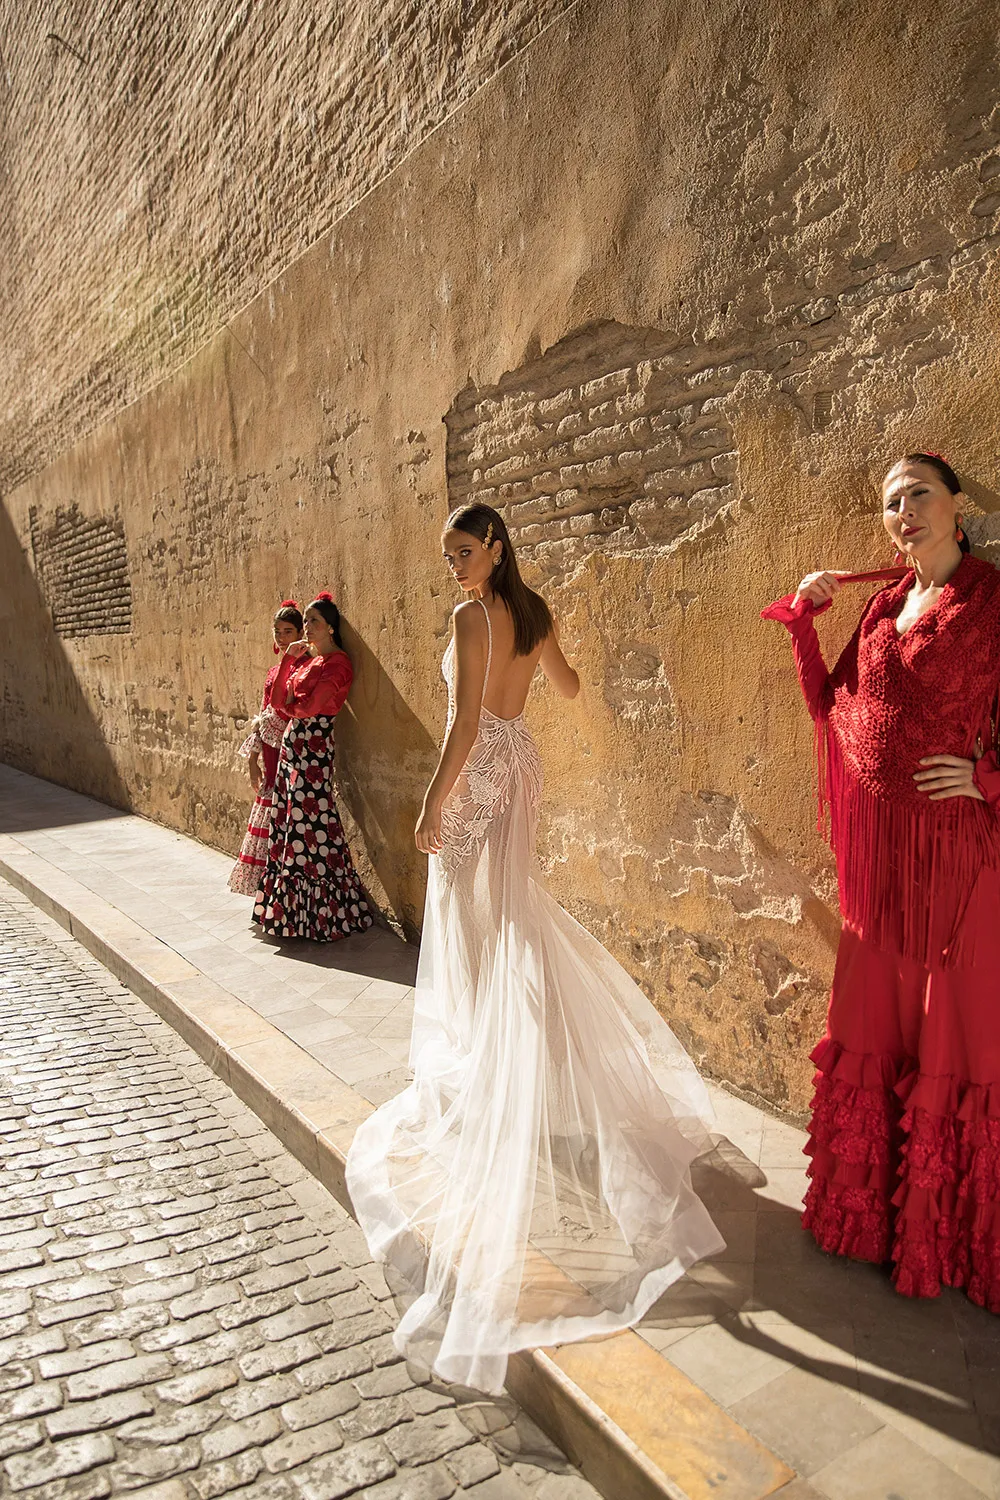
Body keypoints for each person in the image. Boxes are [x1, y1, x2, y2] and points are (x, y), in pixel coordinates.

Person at [346, 504, 723, 1394]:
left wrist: (434, 805)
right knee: (509, 920)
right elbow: (570, 690)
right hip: (522, 770)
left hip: (480, 774)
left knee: (482, 930)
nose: (454, 567)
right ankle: (525, 1064)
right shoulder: (535, 609)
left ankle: (499, 1072)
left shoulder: (472, 616)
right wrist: (529, 696)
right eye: (446, 555)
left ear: (496, 548)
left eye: (465, 551)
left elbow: (464, 726)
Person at [762, 453, 1000, 1313]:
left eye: (919, 496)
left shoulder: (993, 601)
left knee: (954, 1043)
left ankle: (944, 1239)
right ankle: (869, 1222)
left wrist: (987, 781)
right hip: (877, 877)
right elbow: (836, 712)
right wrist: (803, 625)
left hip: (961, 867)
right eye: (892, 503)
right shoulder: (880, 606)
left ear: (958, 504)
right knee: (875, 1028)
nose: (904, 513)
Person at [252, 593, 373, 943]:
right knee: (290, 821)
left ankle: (326, 915)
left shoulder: (339, 663)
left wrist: (294, 704)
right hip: (294, 748)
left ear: (331, 627)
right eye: (305, 621)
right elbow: (278, 702)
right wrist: (289, 664)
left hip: (314, 748)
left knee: (313, 822)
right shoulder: (304, 664)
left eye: (314, 621)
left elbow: (310, 708)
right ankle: (292, 917)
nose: (307, 627)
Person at [229, 600, 303, 896]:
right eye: (278, 631)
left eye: (288, 631)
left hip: (294, 757)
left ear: (300, 632)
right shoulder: (274, 672)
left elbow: (285, 708)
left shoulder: (305, 669)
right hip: (271, 761)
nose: (282, 638)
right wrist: (252, 761)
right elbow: (262, 716)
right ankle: (268, 892)